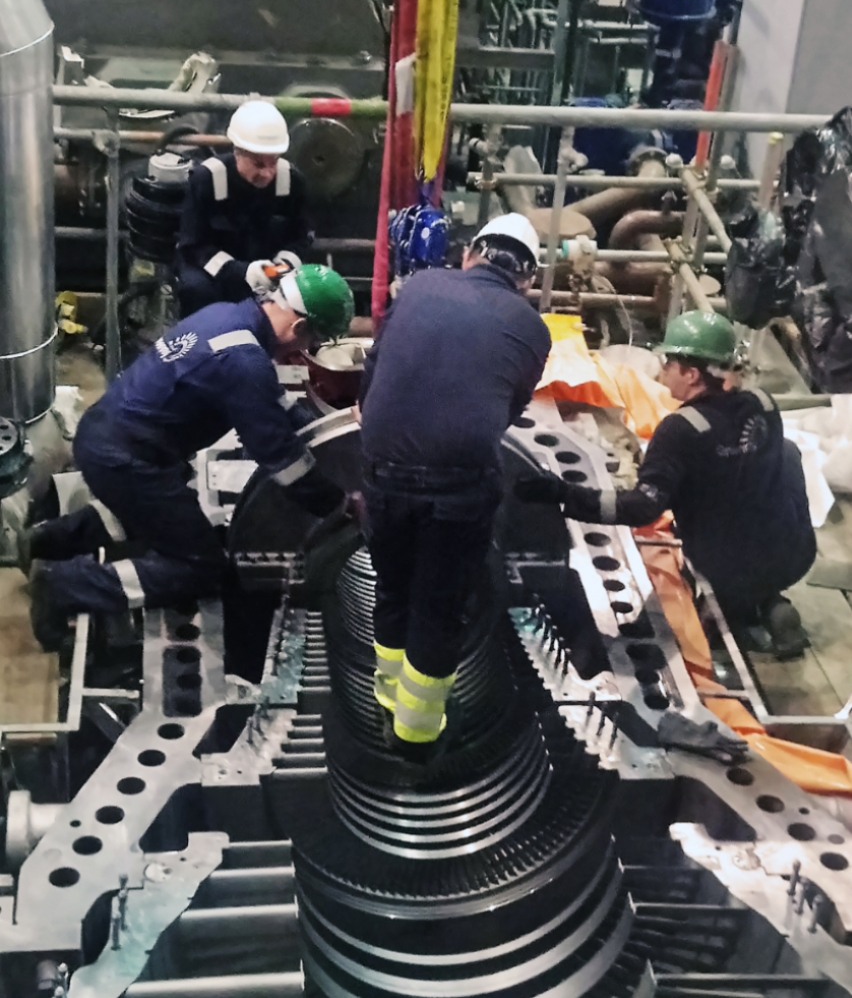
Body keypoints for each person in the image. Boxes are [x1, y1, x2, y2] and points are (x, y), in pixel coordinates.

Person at [27, 266, 356, 651]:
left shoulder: (227, 317)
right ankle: (64, 585)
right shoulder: (243, 361)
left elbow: (276, 408)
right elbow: (281, 459)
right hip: (128, 461)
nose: (301, 350)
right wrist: (339, 506)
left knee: (159, 512)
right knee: (198, 567)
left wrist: (334, 427)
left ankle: (49, 539)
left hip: (108, 436)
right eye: (311, 340)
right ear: (300, 329)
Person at [515, 311, 816, 660]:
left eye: (668, 363)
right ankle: (768, 599)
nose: (661, 371)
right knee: (787, 454)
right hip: (795, 553)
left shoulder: (680, 429)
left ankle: (729, 613)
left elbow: (642, 507)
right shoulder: (763, 405)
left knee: (720, 554)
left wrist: (563, 493)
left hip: (725, 563)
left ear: (691, 373)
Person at [359, 213, 551, 758]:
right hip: (458, 487)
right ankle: (417, 736)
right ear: (526, 280)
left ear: (471, 254)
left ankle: (386, 697)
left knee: (394, 586)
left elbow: (372, 372)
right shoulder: (533, 328)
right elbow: (508, 411)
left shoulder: (419, 285)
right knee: (438, 606)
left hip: (381, 469)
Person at [175, 100, 312, 318]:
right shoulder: (207, 180)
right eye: (258, 164)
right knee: (195, 288)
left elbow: (301, 239)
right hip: (215, 275)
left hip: (271, 273)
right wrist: (242, 272)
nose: (267, 173)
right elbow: (193, 246)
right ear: (237, 152)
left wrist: (280, 268)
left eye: (273, 162)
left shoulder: (292, 182)